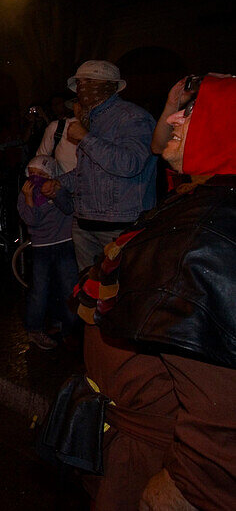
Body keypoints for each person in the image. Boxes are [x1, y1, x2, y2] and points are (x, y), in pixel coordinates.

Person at [76, 73, 236, 510]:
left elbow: (222, 397)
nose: (174, 122)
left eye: (192, 113)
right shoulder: (204, 196)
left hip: (159, 457)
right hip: (140, 436)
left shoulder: (208, 234)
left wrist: (191, 486)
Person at [41, 61, 157, 273]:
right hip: (86, 223)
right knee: (91, 296)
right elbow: (91, 172)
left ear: (111, 86)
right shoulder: (92, 120)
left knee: (120, 295)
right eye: (79, 83)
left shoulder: (132, 117)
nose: (82, 88)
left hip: (119, 226)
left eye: (89, 81)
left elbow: (130, 164)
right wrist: (60, 183)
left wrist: (86, 138)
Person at [15, 155, 75, 350]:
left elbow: (69, 208)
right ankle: (35, 329)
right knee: (39, 291)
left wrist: (55, 193)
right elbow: (31, 220)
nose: (35, 178)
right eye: (32, 173)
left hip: (64, 243)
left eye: (41, 174)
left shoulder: (58, 187)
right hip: (41, 248)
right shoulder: (24, 196)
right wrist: (29, 198)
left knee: (68, 288)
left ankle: (71, 329)